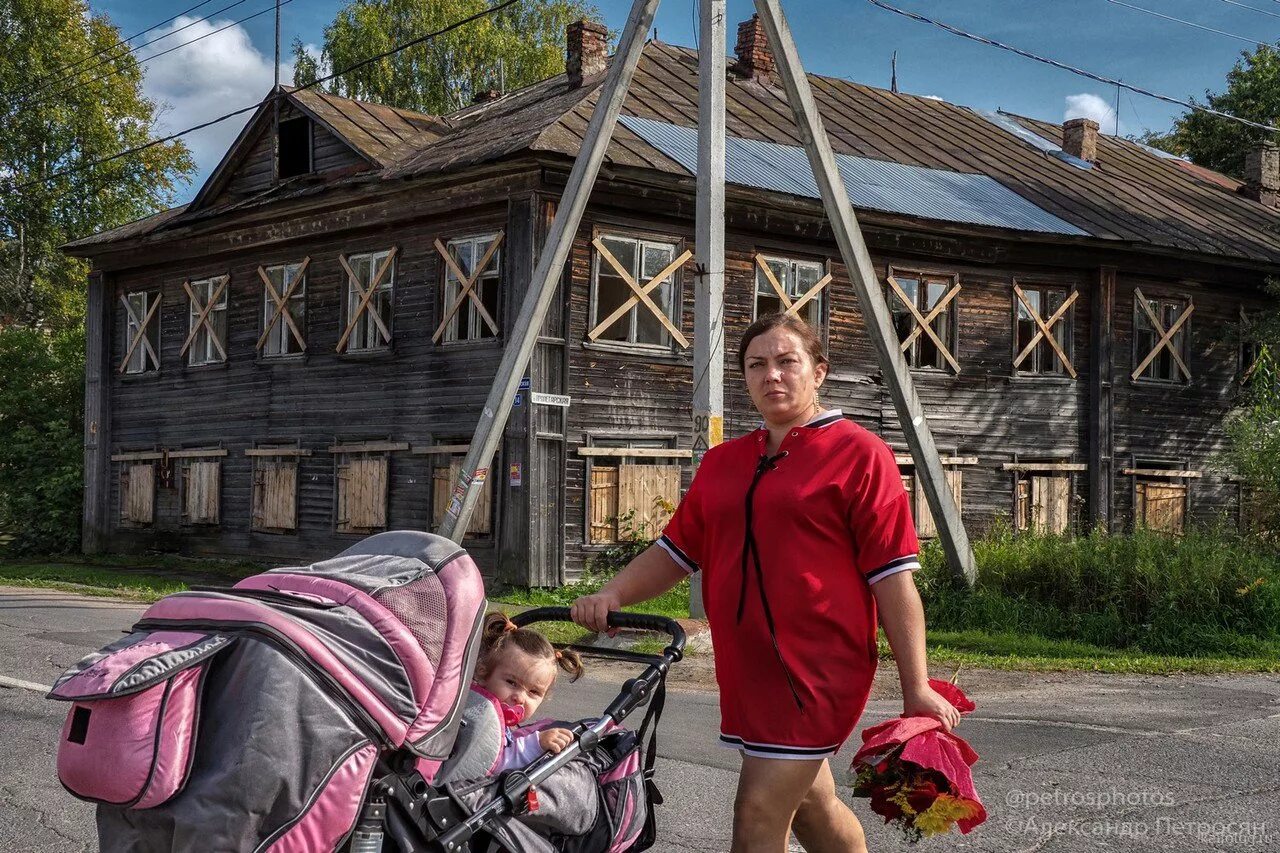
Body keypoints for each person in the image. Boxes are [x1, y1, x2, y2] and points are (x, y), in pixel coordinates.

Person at [571, 312, 962, 853]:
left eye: (787, 362)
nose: (772, 375)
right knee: (810, 805)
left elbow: (893, 579)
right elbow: (675, 551)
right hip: (747, 666)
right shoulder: (724, 461)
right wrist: (612, 593)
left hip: (817, 668)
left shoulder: (860, 454)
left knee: (757, 810)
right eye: (757, 365)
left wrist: (916, 685)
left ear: (818, 371)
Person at [473, 612, 585, 772]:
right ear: (482, 673)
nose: (520, 698)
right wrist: (535, 745)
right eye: (511, 682)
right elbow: (489, 764)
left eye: (533, 692)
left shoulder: (495, 722)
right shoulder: (475, 716)